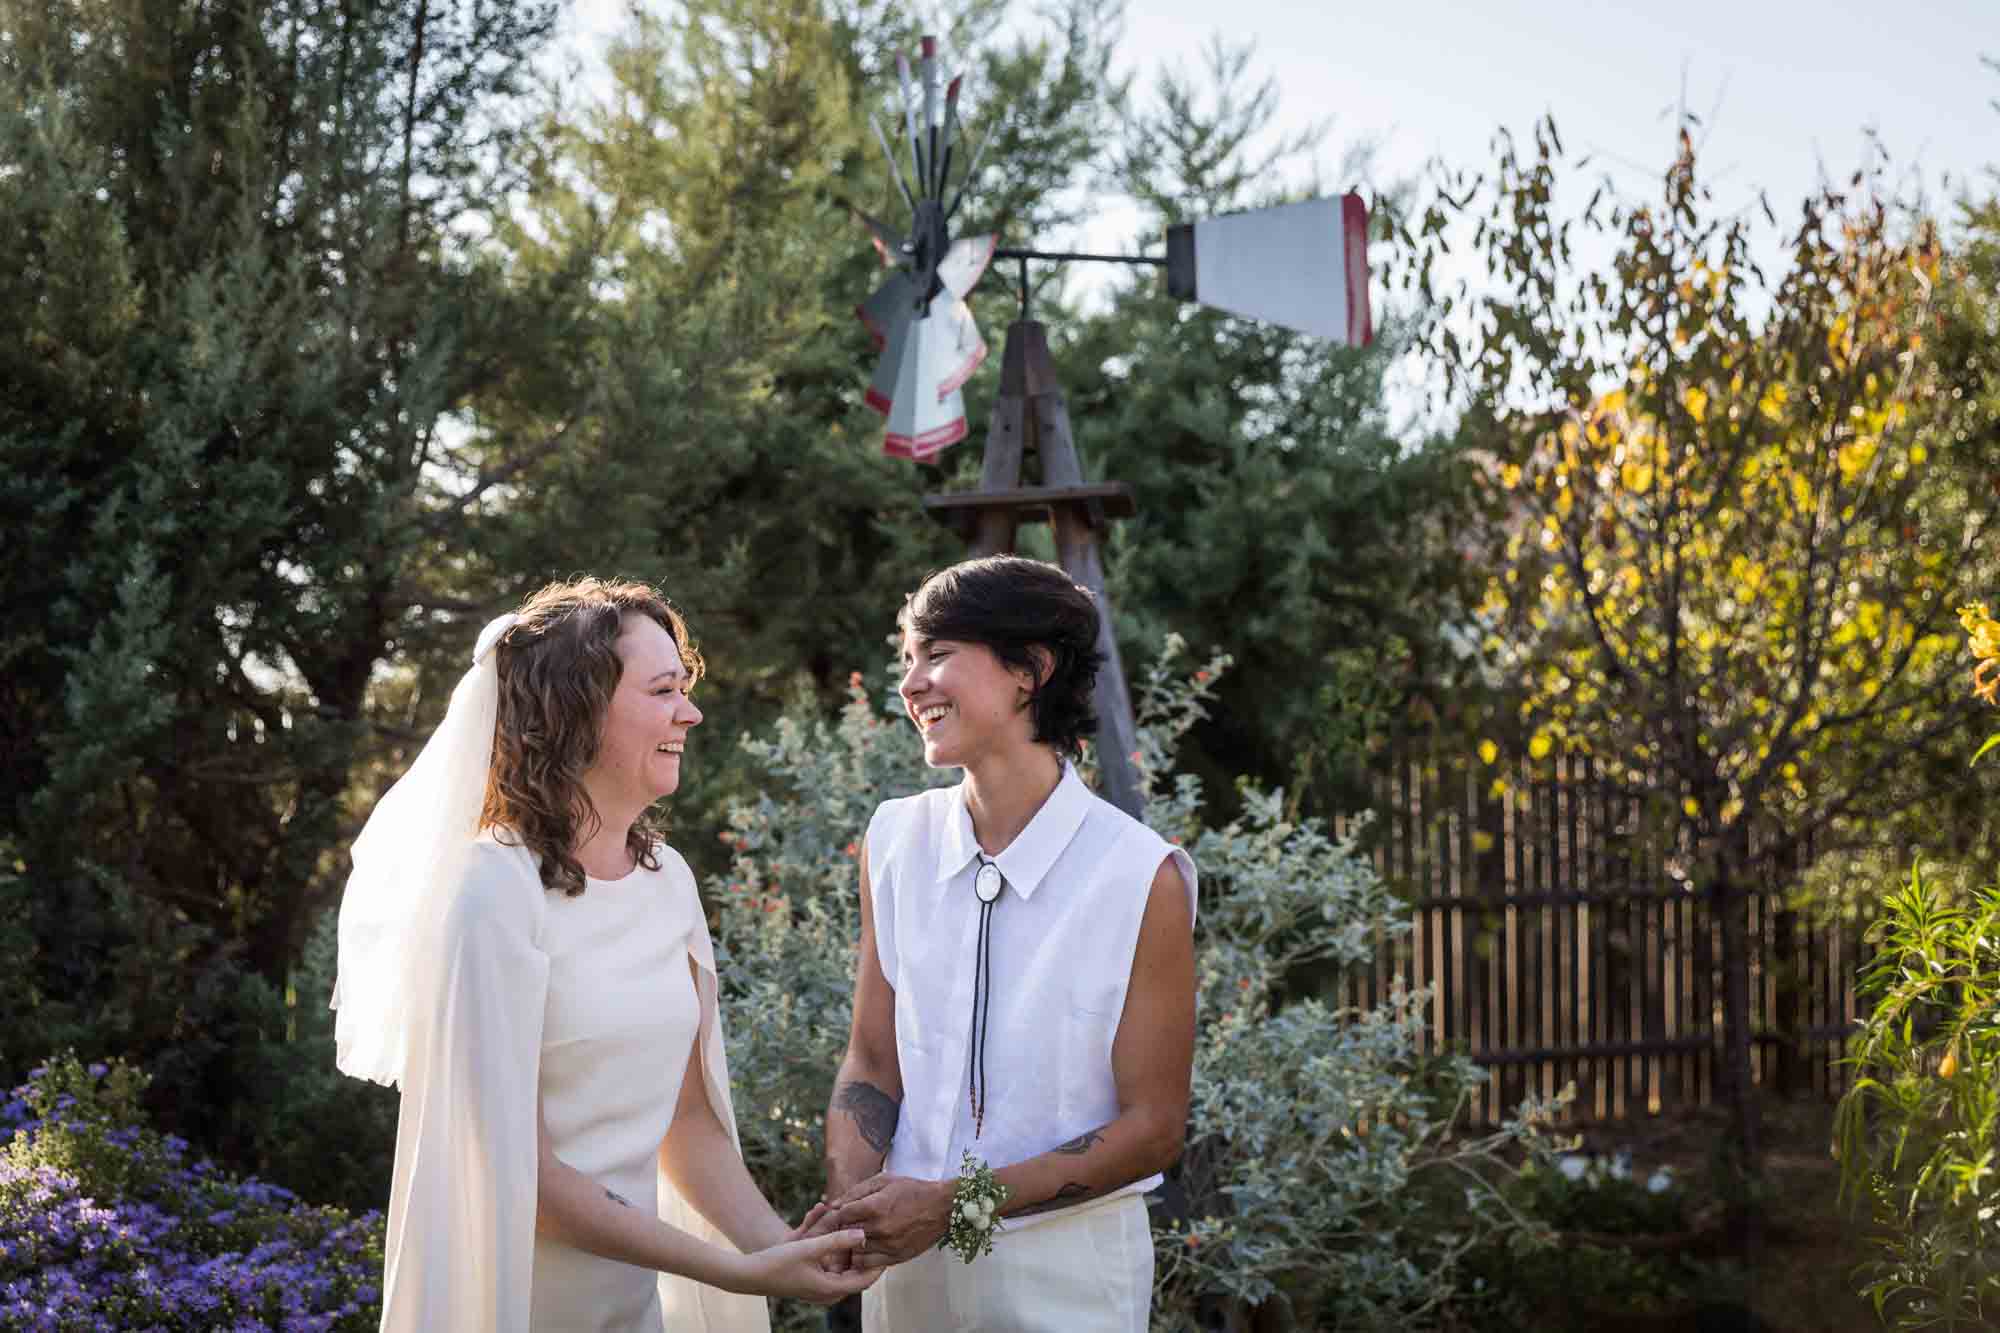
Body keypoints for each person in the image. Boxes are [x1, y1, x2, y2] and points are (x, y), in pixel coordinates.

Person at [333, 577, 874, 1332]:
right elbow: (532, 1181)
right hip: (517, 1306)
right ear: (578, 711)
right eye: (662, 691)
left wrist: (788, 1249)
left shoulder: (669, 881)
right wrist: (739, 1270)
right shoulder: (493, 888)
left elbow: (686, 1121)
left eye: (683, 688)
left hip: (633, 1309)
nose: (691, 711)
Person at [821, 556, 1198, 1331]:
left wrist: (952, 1205)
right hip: (907, 1279)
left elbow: (1153, 1125)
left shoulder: (1141, 877)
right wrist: (849, 1208)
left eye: (937, 653)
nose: (911, 682)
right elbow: (872, 1059)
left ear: (1030, 669)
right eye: (906, 659)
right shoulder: (896, 839)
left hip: (1065, 1284)